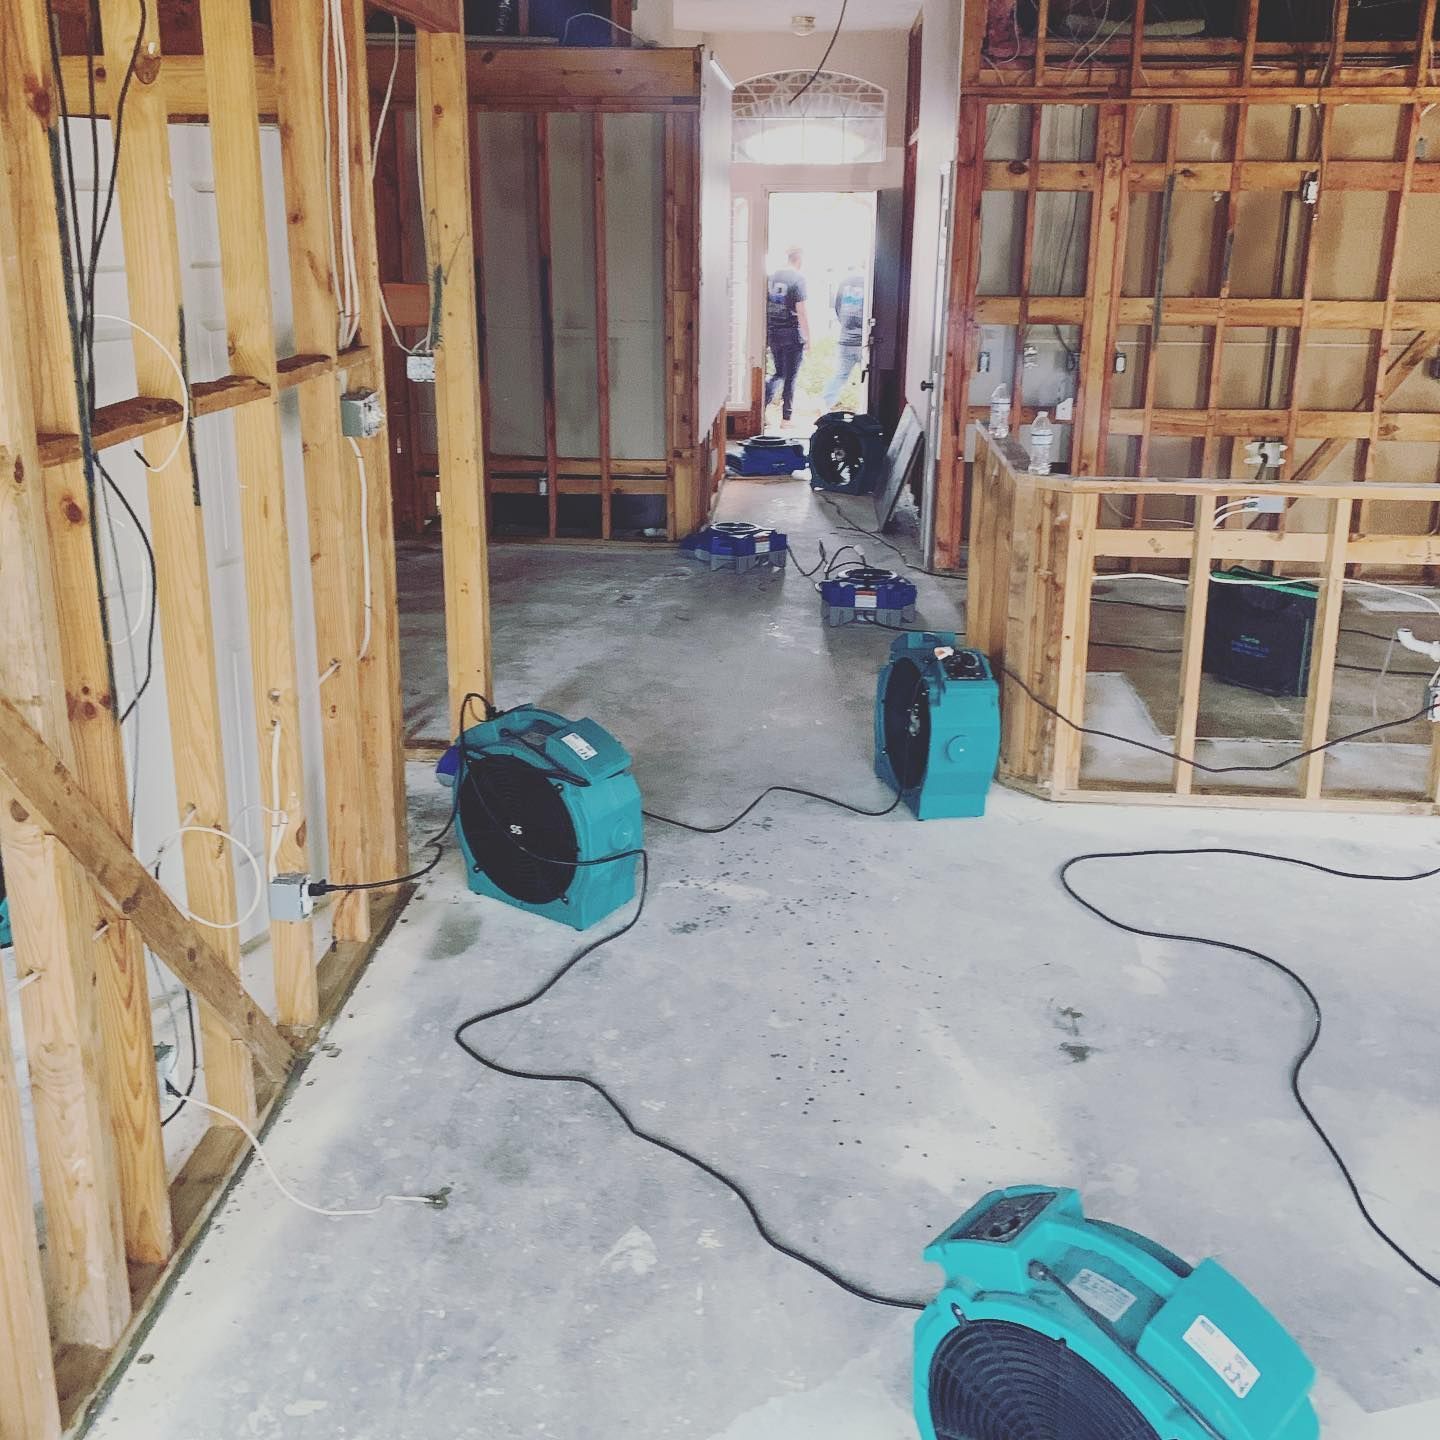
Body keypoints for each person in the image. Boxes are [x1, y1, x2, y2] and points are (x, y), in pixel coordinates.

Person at [764, 247, 809, 425]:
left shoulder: (771, 276)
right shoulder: (798, 278)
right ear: (799, 259)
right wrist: (807, 336)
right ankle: (786, 419)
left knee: (778, 374)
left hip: (773, 332)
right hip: (792, 334)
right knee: (790, 377)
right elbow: (802, 311)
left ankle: (762, 407)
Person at [821, 265, 867, 411]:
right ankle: (865, 410)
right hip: (864, 341)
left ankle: (825, 405)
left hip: (845, 338)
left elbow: (837, 307)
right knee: (868, 380)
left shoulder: (845, 282)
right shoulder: (869, 281)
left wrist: (845, 324)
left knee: (840, 375)